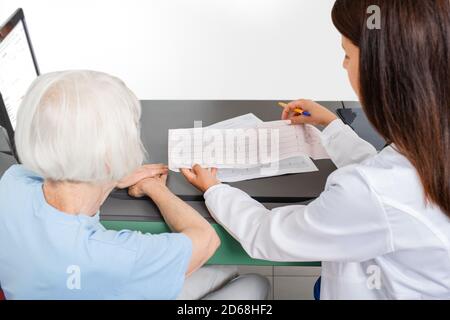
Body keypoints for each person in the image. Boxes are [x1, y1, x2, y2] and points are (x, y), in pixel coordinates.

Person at [181, 0, 450, 300]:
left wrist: (215, 189)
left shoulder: (369, 193)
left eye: (347, 54)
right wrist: (332, 126)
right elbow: (385, 180)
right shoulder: (431, 144)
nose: (343, 64)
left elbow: (267, 236)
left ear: (382, 74)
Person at [0, 70, 269, 299]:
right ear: (109, 159)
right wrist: (155, 188)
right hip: (112, 281)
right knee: (254, 284)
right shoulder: (120, 255)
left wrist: (109, 176)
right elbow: (206, 241)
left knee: (221, 275)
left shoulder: (12, 182)